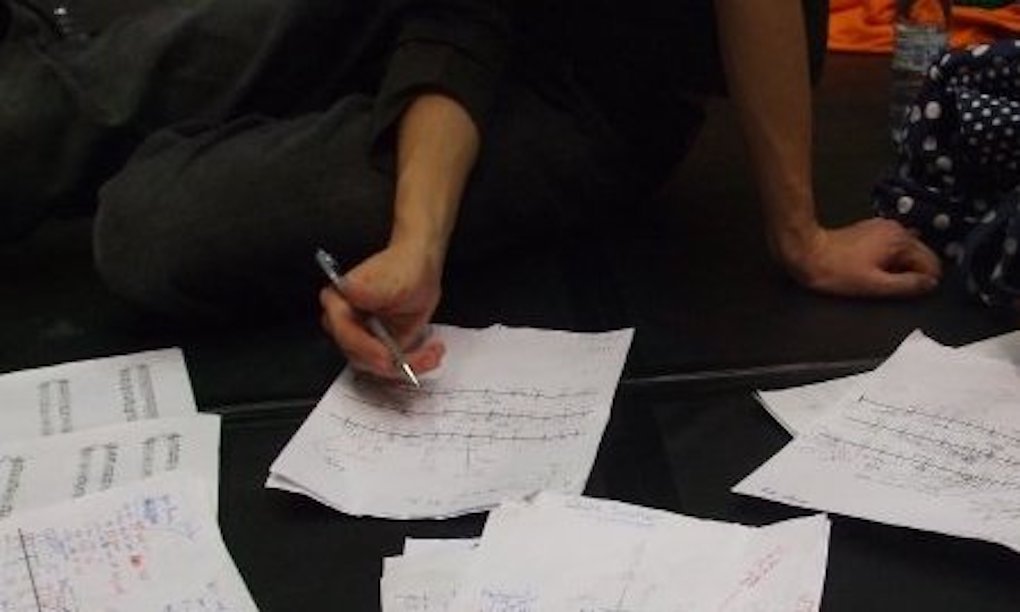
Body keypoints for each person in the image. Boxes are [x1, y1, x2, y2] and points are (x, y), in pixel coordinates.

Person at [1, 0, 941, 382]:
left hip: (583, 88)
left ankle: (278, 141)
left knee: (155, 230)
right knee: (90, 88)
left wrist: (800, 231)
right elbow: (457, 18)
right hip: (424, 14)